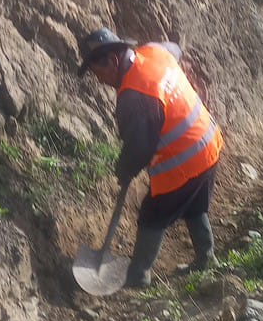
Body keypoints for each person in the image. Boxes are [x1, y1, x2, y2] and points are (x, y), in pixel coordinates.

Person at [77, 27, 223, 288]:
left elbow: (141, 147)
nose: (100, 81)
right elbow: (175, 49)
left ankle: (138, 276)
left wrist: (124, 168)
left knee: (152, 214)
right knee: (194, 205)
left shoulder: (135, 96)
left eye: (98, 73)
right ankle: (206, 257)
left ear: (113, 60)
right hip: (209, 144)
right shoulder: (153, 52)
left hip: (184, 160)